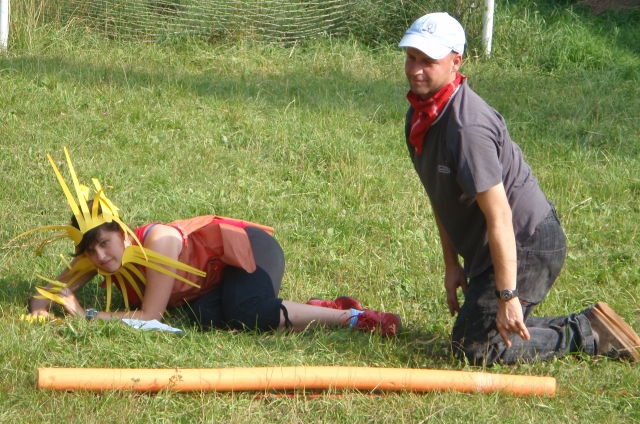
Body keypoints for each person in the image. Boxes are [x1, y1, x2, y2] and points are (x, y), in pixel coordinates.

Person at [398, 13, 640, 365]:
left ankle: (585, 333)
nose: (416, 69)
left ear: (456, 62)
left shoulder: (467, 129)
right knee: (475, 335)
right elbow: (441, 196)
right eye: (411, 57)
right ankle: (583, 324)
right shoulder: (421, 116)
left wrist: (507, 294)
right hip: (493, 248)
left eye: (428, 61)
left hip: (527, 243)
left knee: (475, 349)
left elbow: (500, 215)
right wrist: (452, 264)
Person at [22, 150, 400, 337]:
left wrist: (86, 314)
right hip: (215, 282)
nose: (101, 256)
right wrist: (41, 311)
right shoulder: (97, 255)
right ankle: (315, 308)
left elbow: (150, 318)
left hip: (249, 249)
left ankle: (355, 317)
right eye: (91, 251)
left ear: (121, 232)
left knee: (246, 312)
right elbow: (45, 294)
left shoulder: (159, 241)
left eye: (105, 243)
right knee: (204, 317)